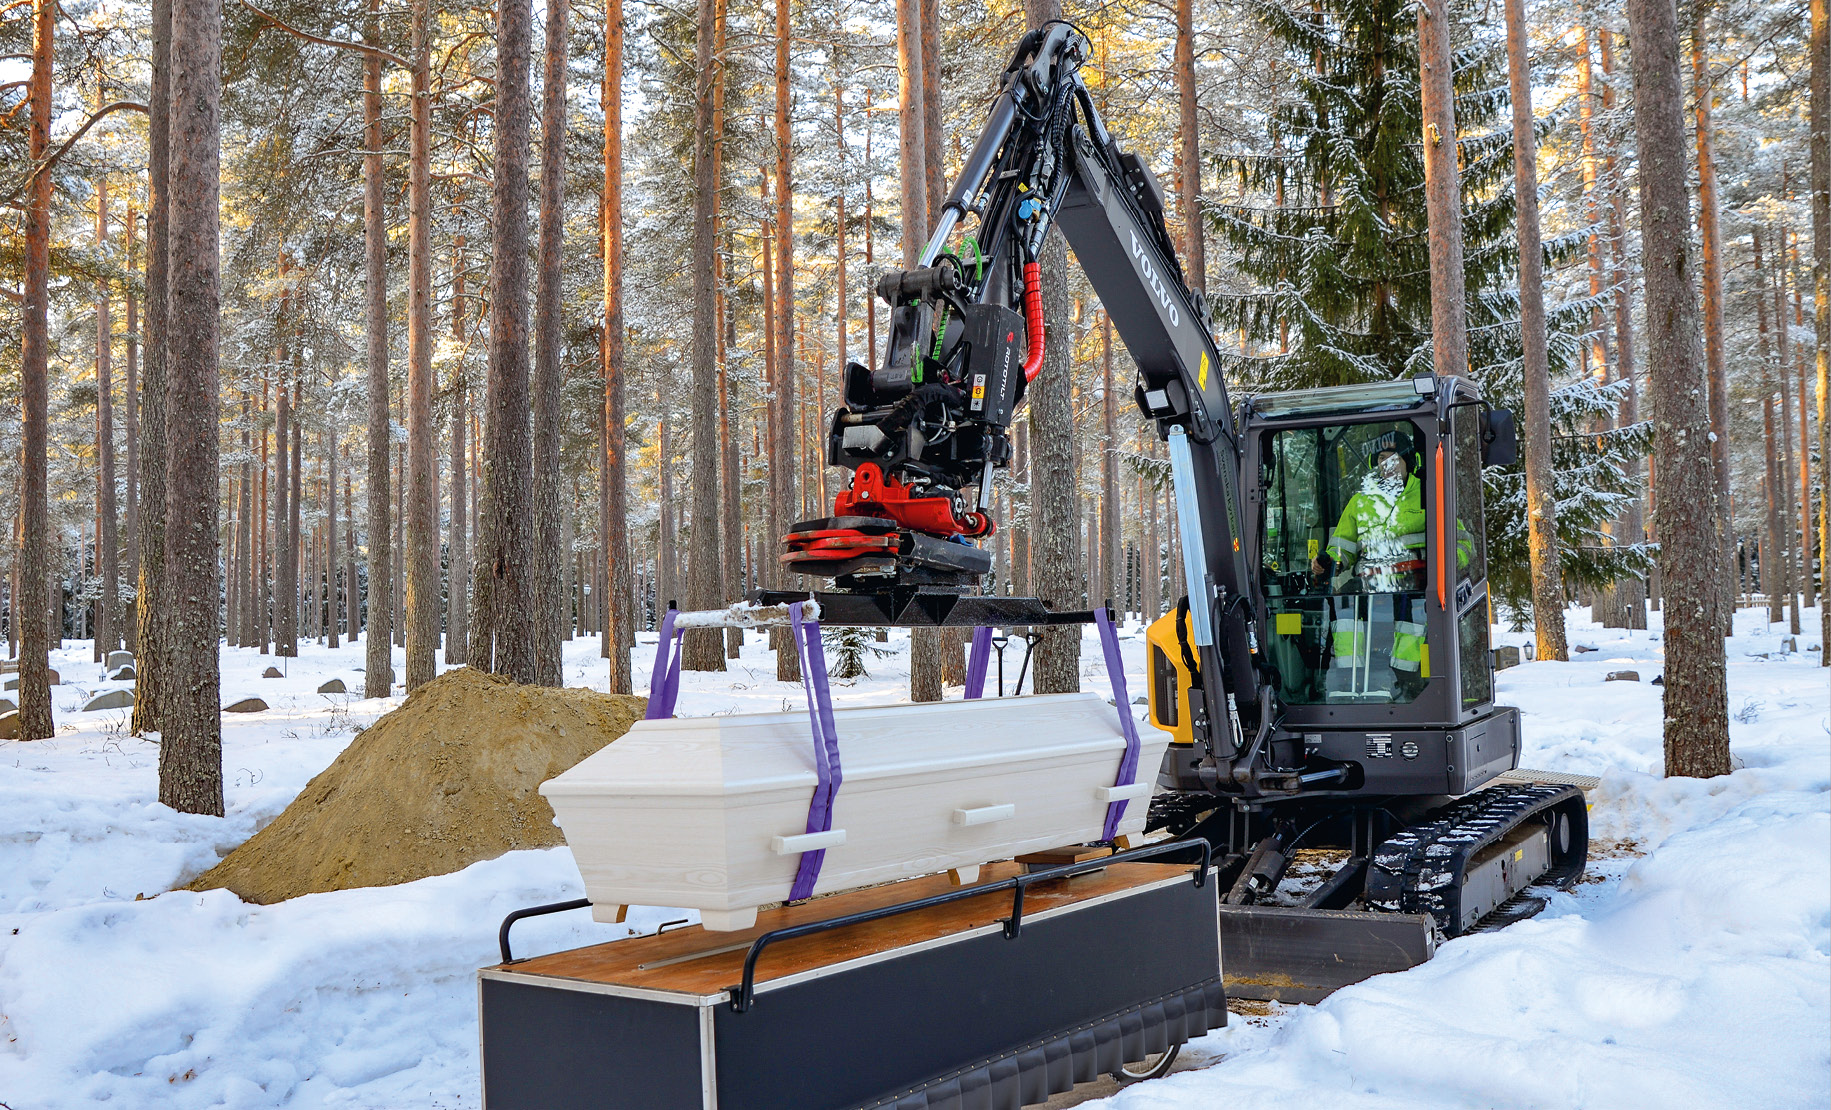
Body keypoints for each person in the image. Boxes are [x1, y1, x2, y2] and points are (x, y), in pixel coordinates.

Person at [1309, 430, 1432, 698]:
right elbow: (1342, 545)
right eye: (1381, 459)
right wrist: (1330, 561)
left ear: (1409, 462)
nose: (1386, 465)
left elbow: (1459, 542)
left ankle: (1405, 679)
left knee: (1411, 611)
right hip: (1368, 581)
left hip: (1412, 579)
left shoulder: (1427, 495)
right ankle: (1347, 677)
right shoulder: (1360, 501)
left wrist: (1445, 567)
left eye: (1393, 459)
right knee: (1343, 604)